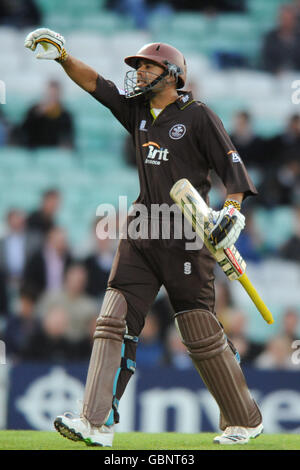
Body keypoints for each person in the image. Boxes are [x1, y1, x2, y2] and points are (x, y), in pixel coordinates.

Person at [25, 29, 263, 446]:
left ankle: (244, 420)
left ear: (171, 75)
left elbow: (232, 168)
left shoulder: (200, 115)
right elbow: (97, 85)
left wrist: (232, 211)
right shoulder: (136, 110)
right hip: (141, 231)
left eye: (147, 66)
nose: (138, 73)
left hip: (188, 235)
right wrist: (64, 57)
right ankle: (96, 423)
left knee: (200, 334)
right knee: (112, 320)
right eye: (138, 67)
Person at [20, 80, 74, 149]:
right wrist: (37, 114)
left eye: (55, 95)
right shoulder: (34, 110)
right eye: (50, 95)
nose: (52, 98)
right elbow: (24, 129)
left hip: (55, 152)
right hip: (34, 149)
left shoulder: (65, 115)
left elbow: (68, 136)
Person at [261, 4, 300, 74]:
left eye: (289, 19)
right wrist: (275, 70)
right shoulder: (270, 37)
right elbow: (266, 59)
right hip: (274, 77)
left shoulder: (298, 37)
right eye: (284, 18)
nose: (287, 22)